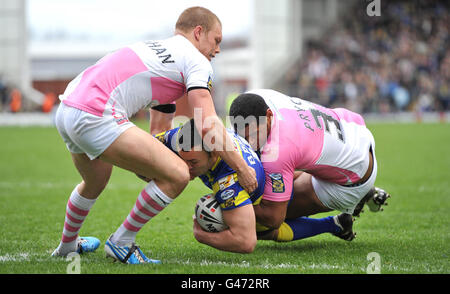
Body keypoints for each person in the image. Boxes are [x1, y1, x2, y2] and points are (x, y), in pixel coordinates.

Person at [51, 6, 257, 264]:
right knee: (179, 174)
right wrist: (241, 168)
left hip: (68, 107)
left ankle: (67, 246)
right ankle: (122, 243)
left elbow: (158, 133)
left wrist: (153, 167)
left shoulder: (162, 52)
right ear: (198, 32)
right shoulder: (197, 61)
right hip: (95, 113)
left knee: (95, 181)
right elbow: (207, 122)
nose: (217, 50)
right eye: (216, 41)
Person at [155, 119, 357, 253]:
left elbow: (246, 242)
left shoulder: (229, 185)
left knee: (265, 229)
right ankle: (347, 199)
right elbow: (149, 144)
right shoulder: (186, 137)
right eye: (184, 160)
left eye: (194, 164)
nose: (185, 168)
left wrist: (202, 236)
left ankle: (335, 221)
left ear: (215, 153)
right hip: (266, 167)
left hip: (264, 197)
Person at [229, 89, 390, 242]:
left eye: (255, 134)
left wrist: (229, 207)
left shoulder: (278, 151)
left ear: (269, 115)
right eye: (245, 137)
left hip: (351, 181)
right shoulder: (258, 96)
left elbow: (274, 217)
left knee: (260, 222)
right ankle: (364, 194)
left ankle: (337, 222)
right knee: (276, 175)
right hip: (353, 129)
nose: (250, 142)